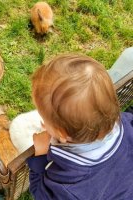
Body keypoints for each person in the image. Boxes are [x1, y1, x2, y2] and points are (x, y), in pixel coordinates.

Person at [27, 54, 133, 200]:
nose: (43, 123)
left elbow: (40, 193)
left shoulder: (67, 185)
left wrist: (40, 156)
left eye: (44, 120)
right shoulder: (128, 122)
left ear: (62, 134)